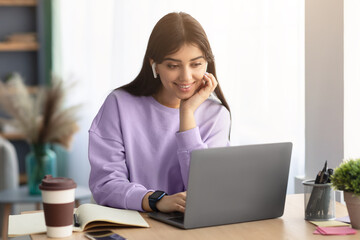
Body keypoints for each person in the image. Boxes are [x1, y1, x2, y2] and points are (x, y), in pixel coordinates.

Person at [88, 12, 231, 214]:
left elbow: (205, 192)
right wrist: (155, 201)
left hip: (193, 229)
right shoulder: (119, 104)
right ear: (154, 65)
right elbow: (105, 184)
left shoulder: (216, 115)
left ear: (207, 63)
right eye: (173, 66)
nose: (186, 76)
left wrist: (187, 113)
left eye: (196, 64)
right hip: (134, 224)